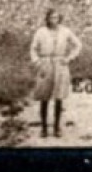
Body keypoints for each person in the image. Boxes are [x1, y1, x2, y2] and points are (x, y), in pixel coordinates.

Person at [29, 8, 82, 138]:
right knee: (44, 97)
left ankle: (57, 127)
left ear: (60, 19)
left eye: (57, 18)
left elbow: (78, 45)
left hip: (60, 65)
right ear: (47, 18)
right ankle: (44, 128)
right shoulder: (41, 32)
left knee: (59, 97)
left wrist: (69, 58)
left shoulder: (65, 31)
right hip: (45, 64)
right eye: (52, 17)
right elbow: (33, 48)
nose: (54, 20)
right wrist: (37, 61)